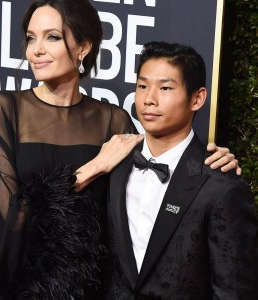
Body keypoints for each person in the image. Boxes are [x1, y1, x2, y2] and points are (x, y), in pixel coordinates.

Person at [0, 1, 241, 299]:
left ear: (83, 47)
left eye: (51, 37)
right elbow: (14, 216)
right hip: (21, 288)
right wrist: (94, 167)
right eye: (31, 38)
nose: (35, 50)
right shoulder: (5, 109)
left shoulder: (112, 119)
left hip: (90, 290)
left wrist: (213, 166)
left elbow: (155, 185)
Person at [104, 41, 258, 299]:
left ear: (197, 98)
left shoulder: (221, 186)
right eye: (142, 86)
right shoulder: (115, 165)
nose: (149, 99)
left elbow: (235, 291)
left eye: (165, 88)